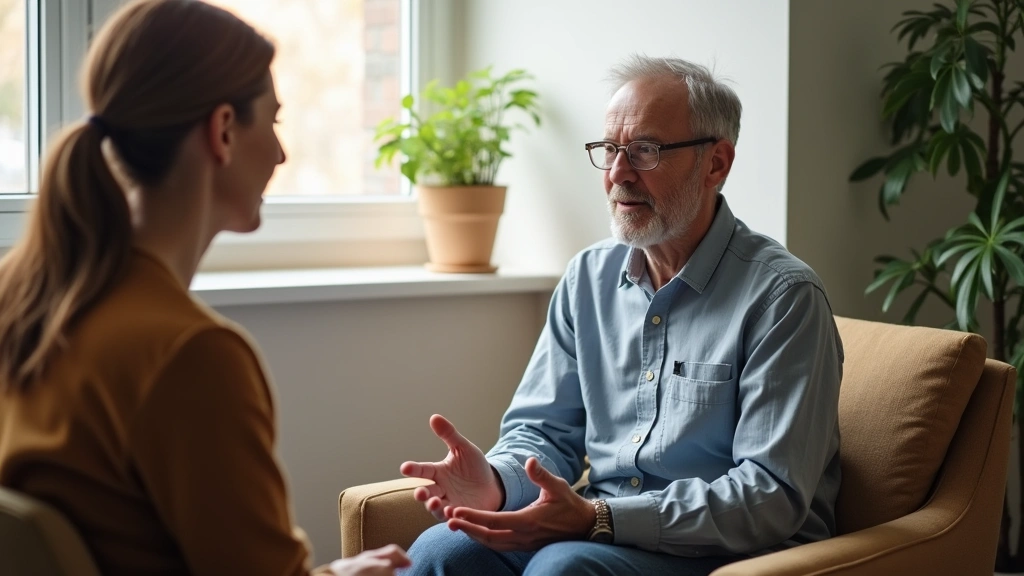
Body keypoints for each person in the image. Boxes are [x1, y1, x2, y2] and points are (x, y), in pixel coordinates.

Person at [0, 1, 409, 575]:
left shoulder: (19, 299)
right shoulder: (190, 355)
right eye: (274, 121)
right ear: (221, 131)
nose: (281, 152)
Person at [398, 55, 843, 576]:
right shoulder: (587, 277)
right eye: (609, 149)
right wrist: (498, 482)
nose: (617, 174)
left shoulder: (783, 298)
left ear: (716, 164)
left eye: (645, 151)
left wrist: (598, 518)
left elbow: (770, 495)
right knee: (441, 551)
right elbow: (543, 431)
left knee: (564, 570)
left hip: (730, 552)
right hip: (595, 527)